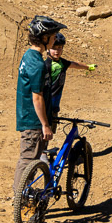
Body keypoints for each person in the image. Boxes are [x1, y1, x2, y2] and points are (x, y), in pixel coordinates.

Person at [13, 15, 65, 193]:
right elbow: (37, 97)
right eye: (52, 36)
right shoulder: (38, 64)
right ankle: (21, 197)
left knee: (30, 160)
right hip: (34, 121)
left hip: (28, 116)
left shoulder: (29, 55)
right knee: (28, 160)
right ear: (44, 38)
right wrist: (45, 125)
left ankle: (23, 195)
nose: (54, 40)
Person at [46, 32, 97, 122]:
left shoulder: (62, 62)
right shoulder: (46, 65)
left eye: (60, 48)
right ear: (47, 49)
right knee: (44, 130)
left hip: (55, 103)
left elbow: (75, 64)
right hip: (46, 103)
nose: (57, 51)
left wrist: (88, 67)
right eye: (54, 48)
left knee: (51, 130)